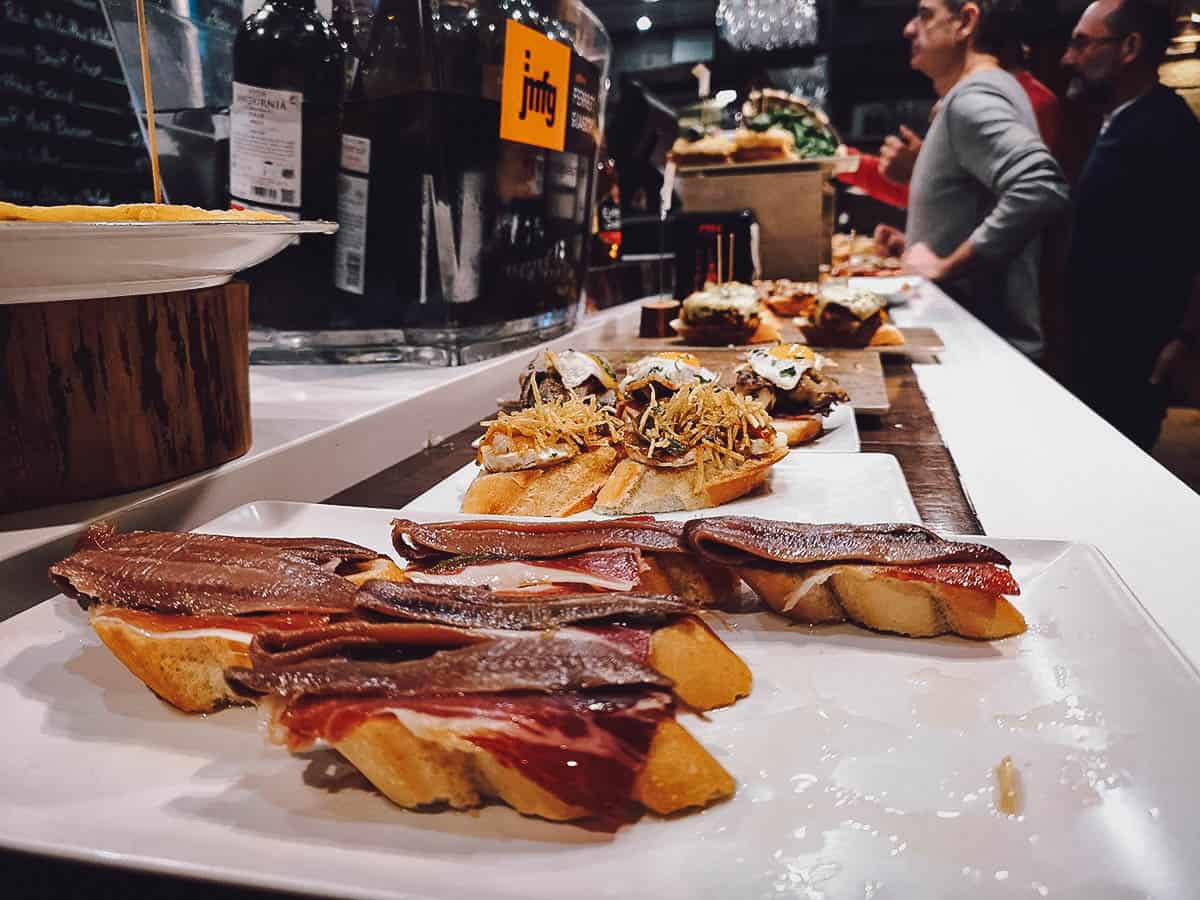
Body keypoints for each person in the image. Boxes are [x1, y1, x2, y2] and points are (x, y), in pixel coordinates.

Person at [872, 0, 1070, 360]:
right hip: (975, 340)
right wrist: (923, 243)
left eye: (925, 14)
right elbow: (984, 203)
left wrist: (947, 267)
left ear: (965, 22)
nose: (909, 29)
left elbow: (1040, 186)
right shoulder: (987, 90)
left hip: (980, 347)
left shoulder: (973, 99)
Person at [1061, 0, 1200, 450]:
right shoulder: (1119, 121)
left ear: (1130, 47)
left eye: (1082, 44)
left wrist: (1184, 339)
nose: (1068, 58)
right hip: (1096, 352)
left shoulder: (1168, 128)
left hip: (1133, 357)